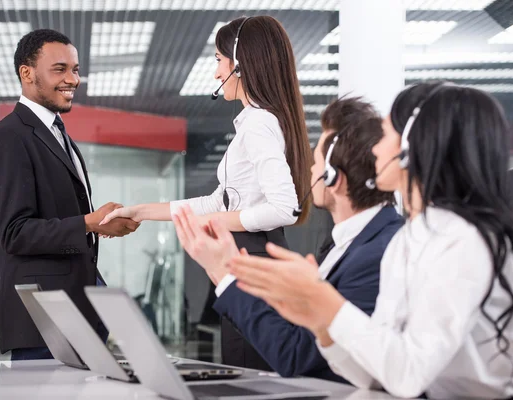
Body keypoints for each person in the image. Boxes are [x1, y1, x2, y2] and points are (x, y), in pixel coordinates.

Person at [229, 82, 513, 399]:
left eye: (386, 134)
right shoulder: (410, 237)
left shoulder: (463, 240)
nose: (375, 147)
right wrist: (320, 323)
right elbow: (375, 375)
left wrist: (326, 303)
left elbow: (409, 374)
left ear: (410, 146)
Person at [100, 16, 313, 370]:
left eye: (218, 60)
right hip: (247, 259)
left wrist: (217, 220)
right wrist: (140, 212)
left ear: (240, 64)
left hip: (254, 261)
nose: (216, 73)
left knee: (249, 377)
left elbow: (284, 207)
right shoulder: (255, 122)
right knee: (245, 370)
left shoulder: (260, 123)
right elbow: (218, 201)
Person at [172, 96, 404, 381]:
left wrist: (222, 270)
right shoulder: (347, 244)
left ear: (334, 178)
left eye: (317, 162)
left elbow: (296, 354)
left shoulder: (378, 254)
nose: (311, 171)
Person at [0, 29, 140, 361]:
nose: (73, 79)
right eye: (60, 69)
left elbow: (60, 218)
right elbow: (14, 233)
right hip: (43, 319)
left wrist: (97, 225)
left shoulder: (57, 133)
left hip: (75, 311)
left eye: (76, 69)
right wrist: (87, 222)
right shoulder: (8, 137)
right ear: (27, 73)